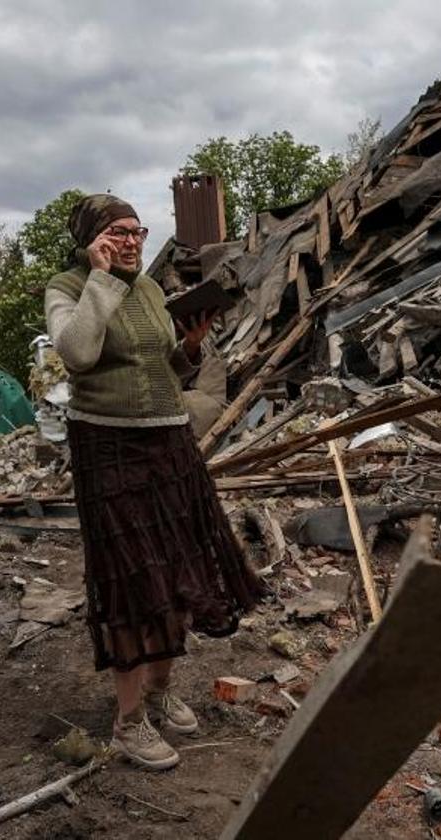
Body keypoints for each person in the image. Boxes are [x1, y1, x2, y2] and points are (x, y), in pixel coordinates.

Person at [45, 193, 264, 771]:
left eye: (138, 231)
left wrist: (190, 345)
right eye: (117, 232)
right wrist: (100, 277)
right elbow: (78, 353)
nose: (132, 241)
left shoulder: (148, 289)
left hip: (169, 442)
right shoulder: (67, 286)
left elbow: (165, 364)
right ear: (91, 238)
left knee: (178, 568)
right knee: (130, 581)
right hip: (109, 447)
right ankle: (128, 721)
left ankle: (160, 692)